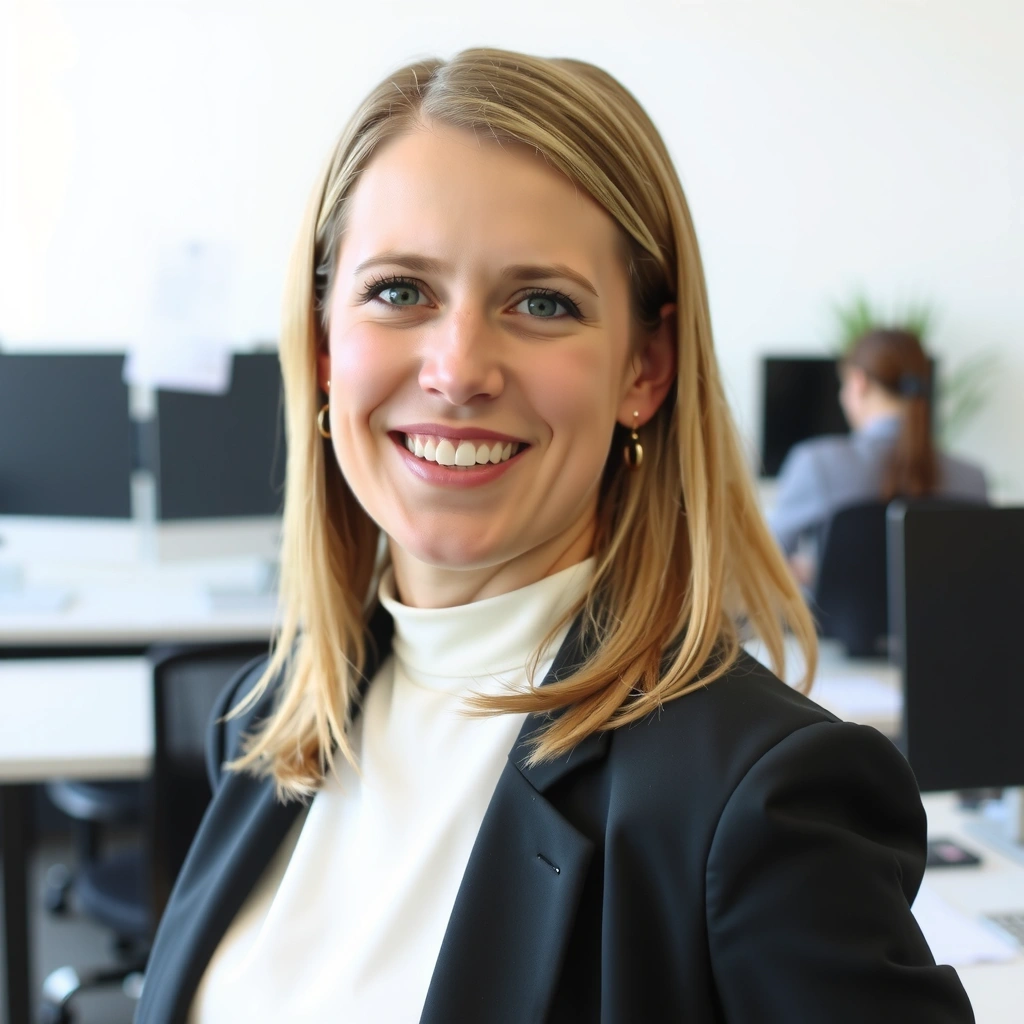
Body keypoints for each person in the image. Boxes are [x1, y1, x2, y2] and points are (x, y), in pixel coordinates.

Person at [136, 50, 973, 1023]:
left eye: (541, 302)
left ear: (643, 368)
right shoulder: (265, 720)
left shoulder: (757, 801)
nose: (457, 369)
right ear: (324, 343)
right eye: (400, 290)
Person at [769, 328, 988, 582]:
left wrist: (821, 570)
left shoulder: (815, 463)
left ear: (858, 382)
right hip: (945, 623)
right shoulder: (973, 479)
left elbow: (765, 559)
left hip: (837, 623)